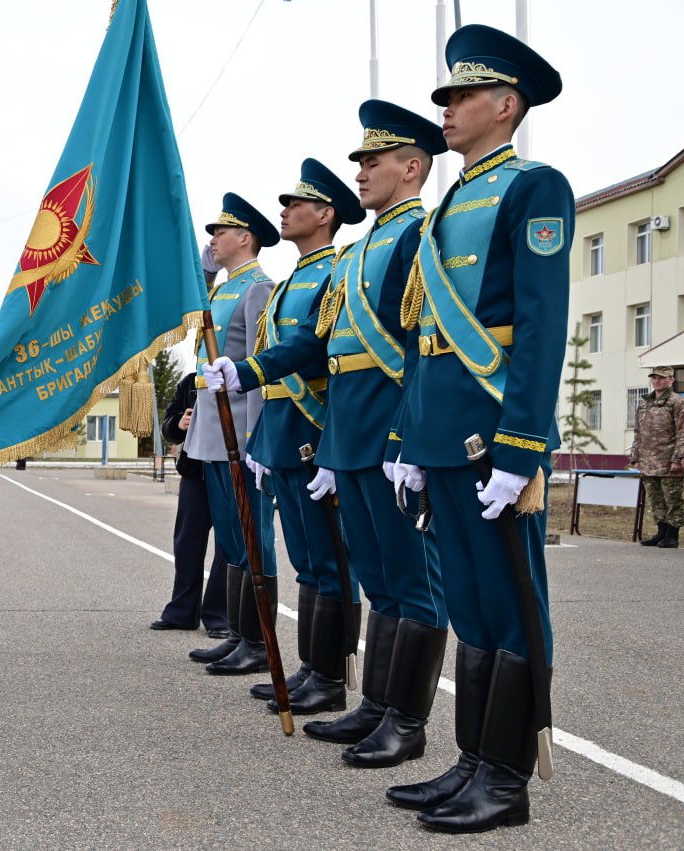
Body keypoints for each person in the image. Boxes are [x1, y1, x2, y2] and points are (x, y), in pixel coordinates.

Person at [208, 103, 450, 758]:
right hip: (349, 436)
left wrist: (411, 436)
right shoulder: (361, 252)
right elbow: (319, 351)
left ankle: (406, 722)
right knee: (380, 580)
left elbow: (425, 345)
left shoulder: (417, 235)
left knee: (415, 581)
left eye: (373, 162)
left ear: (411, 167)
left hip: (391, 435)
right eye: (361, 162)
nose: (362, 172)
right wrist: (250, 370)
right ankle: (376, 705)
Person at [380, 25, 573, 833]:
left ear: (507, 103)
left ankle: (507, 779)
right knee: (470, 605)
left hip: (492, 437)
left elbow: (539, 326)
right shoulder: (452, 199)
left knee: (508, 602)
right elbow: (417, 329)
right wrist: (407, 441)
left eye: (462, 96)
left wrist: (520, 446)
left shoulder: (535, 188)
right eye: (448, 95)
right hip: (440, 433)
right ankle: (471, 762)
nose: (447, 109)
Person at [224, 159, 366, 714]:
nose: (283, 212)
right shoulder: (286, 284)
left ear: (325, 214)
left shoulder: (335, 272)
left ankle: (330, 677)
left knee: (331, 558)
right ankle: (312, 668)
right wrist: (261, 440)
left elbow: (310, 351)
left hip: (315, 429)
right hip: (282, 430)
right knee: (307, 559)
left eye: (295, 204)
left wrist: (250, 373)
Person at [182, 193, 280, 676]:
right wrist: (205, 266)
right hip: (212, 431)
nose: (212, 240)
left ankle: (258, 642)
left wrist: (258, 438)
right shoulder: (222, 289)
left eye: (219, 233)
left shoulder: (257, 289)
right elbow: (191, 309)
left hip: (240, 431)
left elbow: (262, 369)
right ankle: (241, 636)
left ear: (245, 238)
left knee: (251, 538)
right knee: (232, 541)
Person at [150, 374, 228, 636]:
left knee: (227, 546)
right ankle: (182, 611)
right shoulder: (191, 381)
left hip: (229, 471)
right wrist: (179, 424)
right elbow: (168, 426)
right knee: (187, 543)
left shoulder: (239, 374)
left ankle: (219, 616)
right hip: (195, 472)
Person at [628, 366, 684, 548]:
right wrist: (635, 456)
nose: (657, 381)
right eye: (654, 377)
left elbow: (682, 432)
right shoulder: (645, 403)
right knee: (655, 497)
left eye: (662, 377)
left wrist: (678, 458)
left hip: (668, 460)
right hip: (648, 460)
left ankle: (672, 535)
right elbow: (638, 431)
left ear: (671, 380)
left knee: (672, 498)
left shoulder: (676, 402)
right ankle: (661, 532)